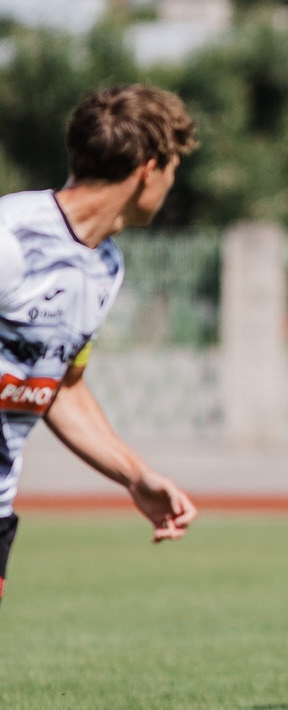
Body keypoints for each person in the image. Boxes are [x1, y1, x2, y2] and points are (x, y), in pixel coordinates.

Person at [0, 84, 201, 604]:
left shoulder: (105, 268)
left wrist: (135, 475)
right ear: (148, 170)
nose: (172, 181)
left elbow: (59, 387)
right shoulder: (11, 237)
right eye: (173, 167)